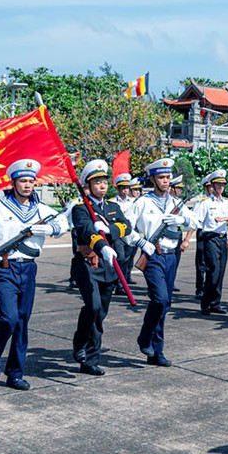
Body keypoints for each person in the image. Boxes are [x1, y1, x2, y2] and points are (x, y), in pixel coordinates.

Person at [0, 158, 66, 390]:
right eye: (22, 181)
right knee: (9, 318)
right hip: (4, 268)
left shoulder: (41, 209)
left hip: (28, 269)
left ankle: (16, 373)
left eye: (31, 181)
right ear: (13, 182)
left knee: (22, 322)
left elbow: (63, 222)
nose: (27, 185)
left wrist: (50, 228)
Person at [124, 158, 192, 367]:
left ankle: (156, 352)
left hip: (172, 256)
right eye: (161, 177)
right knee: (160, 299)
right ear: (153, 179)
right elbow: (124, 227)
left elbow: (196, 221)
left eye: (168, 177)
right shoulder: (143, 202)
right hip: (153, 255)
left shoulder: (175, 203)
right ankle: (145, 337)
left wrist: (182, 220)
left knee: (166, 303)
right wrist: (140, 242)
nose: (166, 181)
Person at [69, 159, 131, 375]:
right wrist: (101, 243)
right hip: (89, 264)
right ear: (88, 185)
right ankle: (80, 343)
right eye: (97, 182)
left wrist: (109, 230)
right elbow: (86, 231)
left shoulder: (113, 207)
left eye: (104, 181)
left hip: (109, 266)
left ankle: (90, 360)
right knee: (93, 306)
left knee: (100, 314)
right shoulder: (81, 209)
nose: (102, 185)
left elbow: (126, 226)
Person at [196, 168, 228, 315]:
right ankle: (206, 303)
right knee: (213, 270)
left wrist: (223, 219)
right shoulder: (206, 203)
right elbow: (197, 221)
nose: (221, 187)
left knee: (220, 271)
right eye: (218, 184)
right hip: (210, 238)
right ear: (212, 186)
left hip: (222, 238)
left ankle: (215, 303)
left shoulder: (226, 203)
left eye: (223, 185)